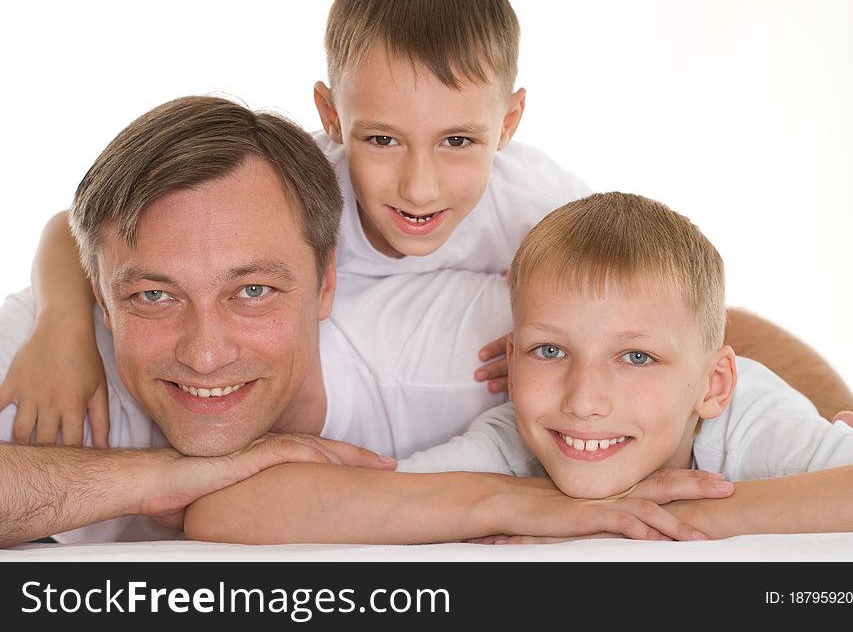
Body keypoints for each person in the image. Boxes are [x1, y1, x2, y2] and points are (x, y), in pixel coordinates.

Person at [0, 0, 853, 451]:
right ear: (333, 117)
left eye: (459, 143)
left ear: (510, 124)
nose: (418, 189)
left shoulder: (534, 203)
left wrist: (838, 413)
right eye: (382, 141)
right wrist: (67, 328)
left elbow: (678, 312)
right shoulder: (299, 185)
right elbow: (83, 226)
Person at [0, 95, 738, 548]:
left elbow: (680, 326)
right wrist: (164, 474)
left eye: (252, 291)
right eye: (153, 297)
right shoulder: (36, 363)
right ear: (103, 297)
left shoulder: (452, 345)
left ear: (328, 281)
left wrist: (844, 418)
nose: (205, 351)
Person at [188, 192, 853, 544]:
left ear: (713, 383)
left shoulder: (748, 416)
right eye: (550, 351)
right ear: (510, 363)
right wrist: (526, 502)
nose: (583, 400)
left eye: (636, 357)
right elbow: (225, 512)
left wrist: (684, 516)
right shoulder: (513, 442)